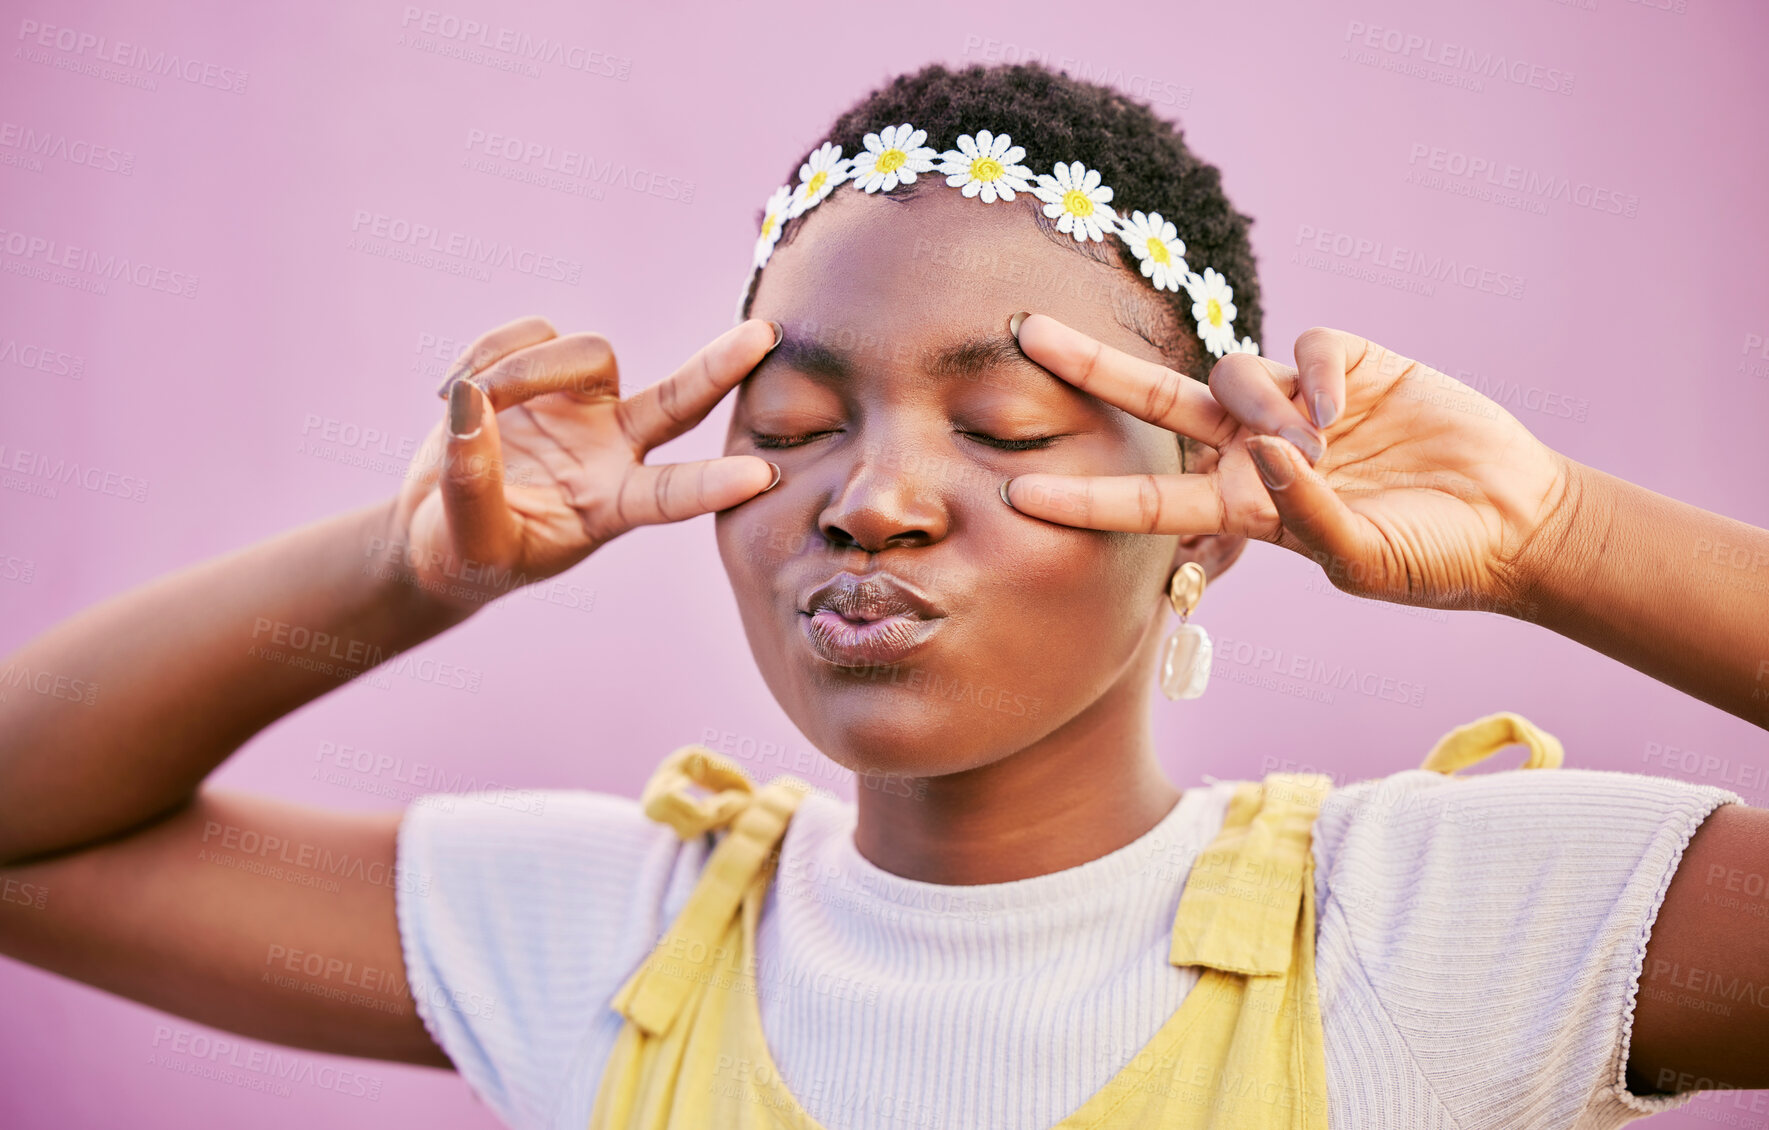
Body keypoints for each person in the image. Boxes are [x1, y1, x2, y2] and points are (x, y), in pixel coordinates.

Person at [2, 61, 1766, 1130]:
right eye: (792, 426)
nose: (874, 500)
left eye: (1002, 426)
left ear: (1206, 522)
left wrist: (1556, 534)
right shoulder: (618, 941)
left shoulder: (1441, 926)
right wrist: (405, 575)